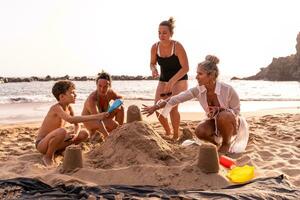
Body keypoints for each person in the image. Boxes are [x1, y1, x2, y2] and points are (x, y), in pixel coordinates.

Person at [142, 55, 249, 153]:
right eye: (197, 73)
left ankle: (226, 143)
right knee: (200, 131)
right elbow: (176, 99)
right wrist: (156, 106)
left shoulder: (227, 89)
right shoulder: (198, 90)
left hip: (232, 124)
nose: (196, 77)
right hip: (215, 123)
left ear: (211, 75)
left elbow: (237, 112)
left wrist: (222, 112)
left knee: (224, 116)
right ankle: (217, 144)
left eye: (200, 74)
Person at [36, 80, 109, 166]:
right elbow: (71, 119)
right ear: (62, 96)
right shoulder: (56, 108)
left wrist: (75, 133)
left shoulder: (69, 108)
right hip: (42, 144)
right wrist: (97, 116)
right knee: (62, 131)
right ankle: (48, 156)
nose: (75, 95)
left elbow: (77, 124)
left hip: (56, 142)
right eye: (72, 93)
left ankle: (60, 150)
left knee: (84, 134)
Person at [149, 17, 189, 140]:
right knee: (157, 107)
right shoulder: (155, 47)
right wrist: (153, 69)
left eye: (165, 32)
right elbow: (152, 63)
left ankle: (176, 134)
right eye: (159, 32)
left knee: (172, 107)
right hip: (163, 80)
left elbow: (186, 68)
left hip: (180, 79)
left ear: (171, 34)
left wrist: (172, 81)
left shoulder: (177, 46)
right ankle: (168, 132)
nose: (161, 35)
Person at [82, 72, 124, 139]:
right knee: (114, 125)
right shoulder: (92, 98)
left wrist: (117, 104)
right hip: (90, 120)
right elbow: (97, 119)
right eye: (100, 86)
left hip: (102, 116)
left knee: (120, 108)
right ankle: (115, 133)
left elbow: (120, 98)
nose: (102, 89)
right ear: (96, 85)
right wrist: (107, 136)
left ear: (109, 86)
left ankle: (118, 132)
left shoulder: (110, 92)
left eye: (105, 87)